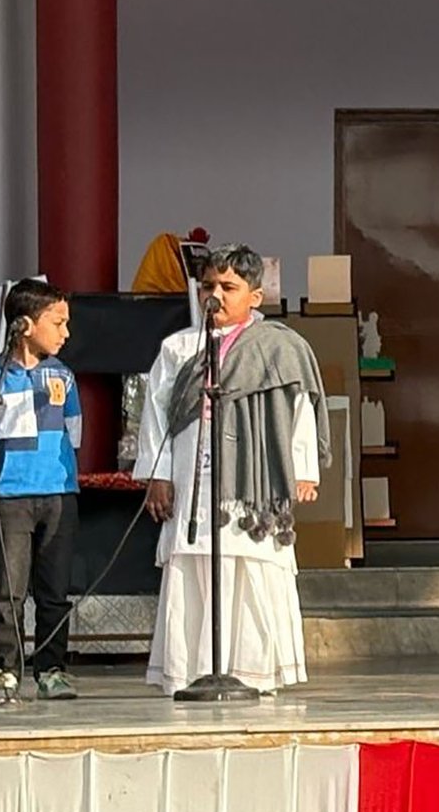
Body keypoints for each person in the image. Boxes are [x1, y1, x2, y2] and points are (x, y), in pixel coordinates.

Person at [134, 244, 329, 695]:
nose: (215, 296)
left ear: (255, 296)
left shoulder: (281, 347)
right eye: (208, 286)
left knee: (252, 565)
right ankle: (192, 670)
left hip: (255, 479)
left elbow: (299, 409)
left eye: (228, 287)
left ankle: (253, 671)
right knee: (195, 566)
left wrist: (303, 468)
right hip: (191, 475)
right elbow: (156, 415)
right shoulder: (179, 347)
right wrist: (158, 474)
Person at [0, 278, 82, 699]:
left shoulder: (63, 376)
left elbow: (74, 432)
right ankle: (5, 670)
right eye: (58, 322)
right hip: (9, 496)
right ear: (26, 325)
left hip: (57, 493)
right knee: (7, 591)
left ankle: (51, 668)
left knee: (54, 589)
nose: (65, 332)